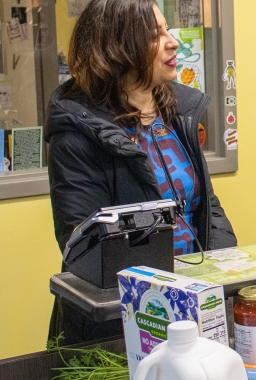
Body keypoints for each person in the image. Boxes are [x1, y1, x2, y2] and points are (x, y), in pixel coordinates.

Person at [46, 0, 236, 345]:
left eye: (166, 29)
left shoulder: (178, 113)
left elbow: (205, 206)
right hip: (125, 321)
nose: (172, 41)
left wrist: (219, 276)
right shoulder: (76, 131)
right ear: (117, 48)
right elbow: (86, 247)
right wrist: (169, 291)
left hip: (191, 305)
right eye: (154, 35)